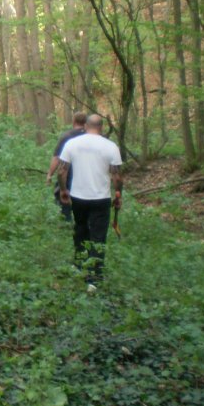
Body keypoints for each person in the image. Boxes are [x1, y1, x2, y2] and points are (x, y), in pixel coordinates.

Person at [57, 114, 122, 289]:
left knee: (80, 229)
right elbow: (116, 175)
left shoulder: (72, 144)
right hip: (101, 198)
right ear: (101, 127)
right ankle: (94, 279)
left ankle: (79, 264)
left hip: (78, 197)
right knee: (98, 236)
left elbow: (62, 171)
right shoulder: (111, 146)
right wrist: (118, 195)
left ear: (85, 126)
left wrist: (63, 190)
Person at [47, 112, 87, 221]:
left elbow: (56, 157)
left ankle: (66, 222)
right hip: (88, 174)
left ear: (73, 121)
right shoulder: (91, 136)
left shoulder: (67, 136)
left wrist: (50, 174)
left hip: (69, 172)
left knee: (62, 196)